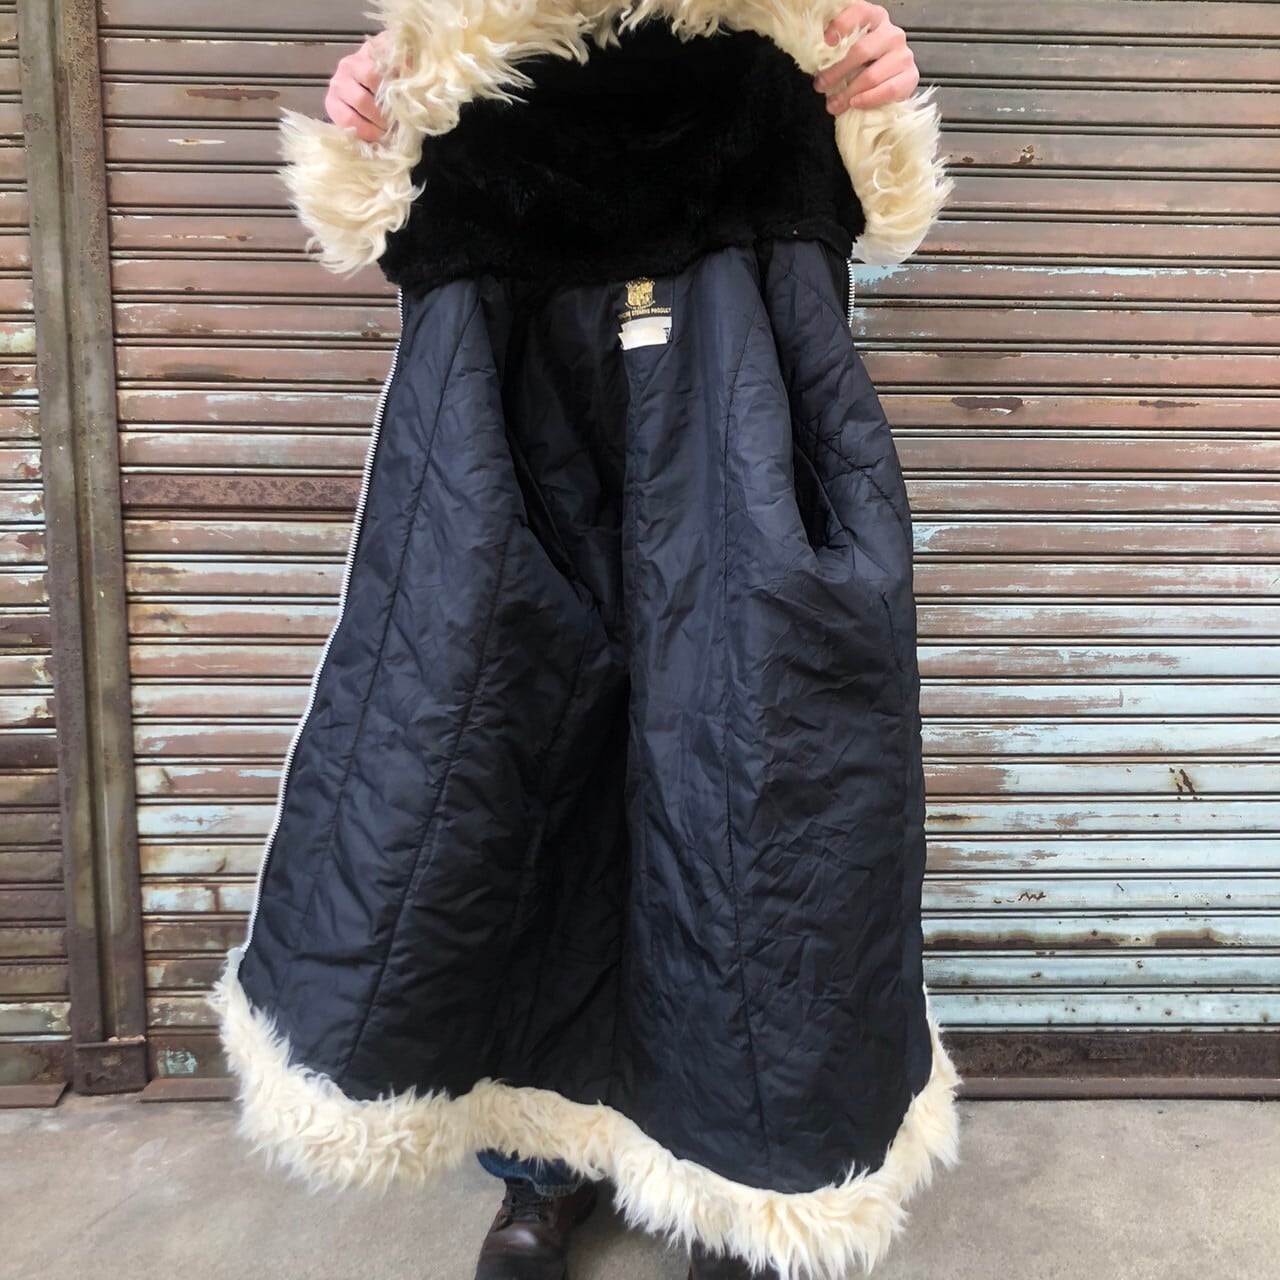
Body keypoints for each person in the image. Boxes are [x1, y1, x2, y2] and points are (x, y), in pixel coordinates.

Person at [207, 5, 963, 1280]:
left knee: (751, 775)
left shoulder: (772, 40)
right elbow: (383, 188)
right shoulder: (470, 44)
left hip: (746, 331)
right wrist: (381, 106)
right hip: (505, 339)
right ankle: (540, 1162)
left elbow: (881, 208)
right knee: (499, 754)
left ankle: (740, 1174)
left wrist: (871, 84)